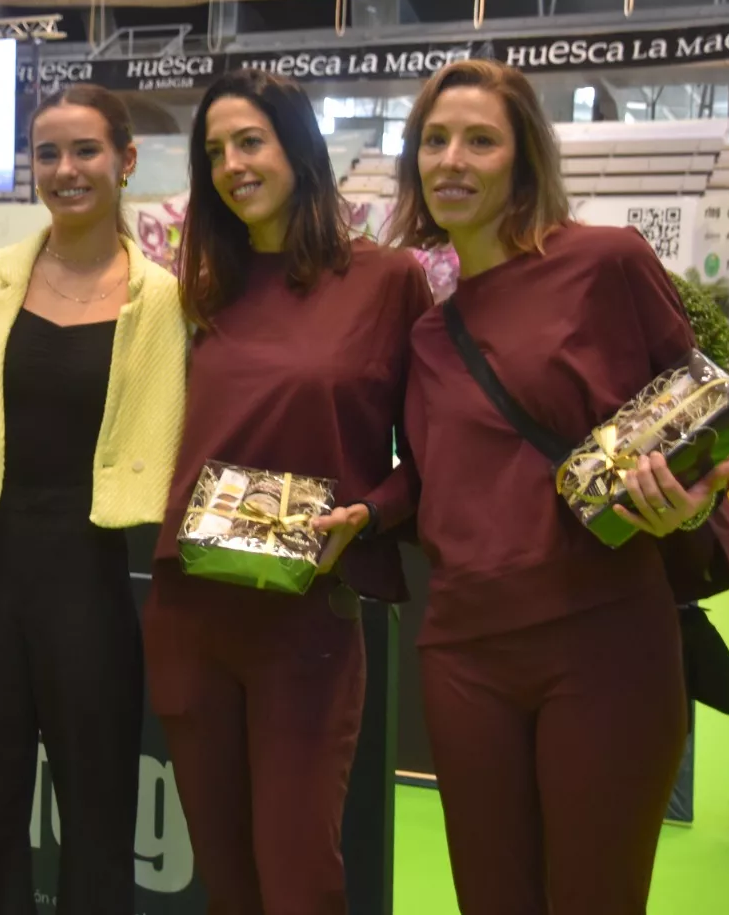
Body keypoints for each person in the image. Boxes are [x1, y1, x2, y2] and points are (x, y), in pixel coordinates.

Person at [386, 59, 729, 915]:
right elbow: (438, 478)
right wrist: (366, 507)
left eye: (481, 140)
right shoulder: (431, 334)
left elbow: (705, 413)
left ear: (523, 159)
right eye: (434, 141)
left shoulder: (605, 265)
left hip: (602, 639)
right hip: (463, 649)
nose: (453, 160)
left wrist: (692, 499)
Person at [144, 68, 432, 914]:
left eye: (250, 141)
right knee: (226, 882)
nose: (232, 164)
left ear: (298, 149)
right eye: (215, 151)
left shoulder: (385, 282)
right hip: (189, 611)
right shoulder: (197, 288)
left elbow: (429, 459)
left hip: (305, 617)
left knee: (300, 876)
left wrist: (371, 514)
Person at [0, 84, 187, 914]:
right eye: (47, 153)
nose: (65, 169)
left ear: (126, 161)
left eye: (85, 151)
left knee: (99, 804)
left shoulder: (166, 301)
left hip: (94, 573)